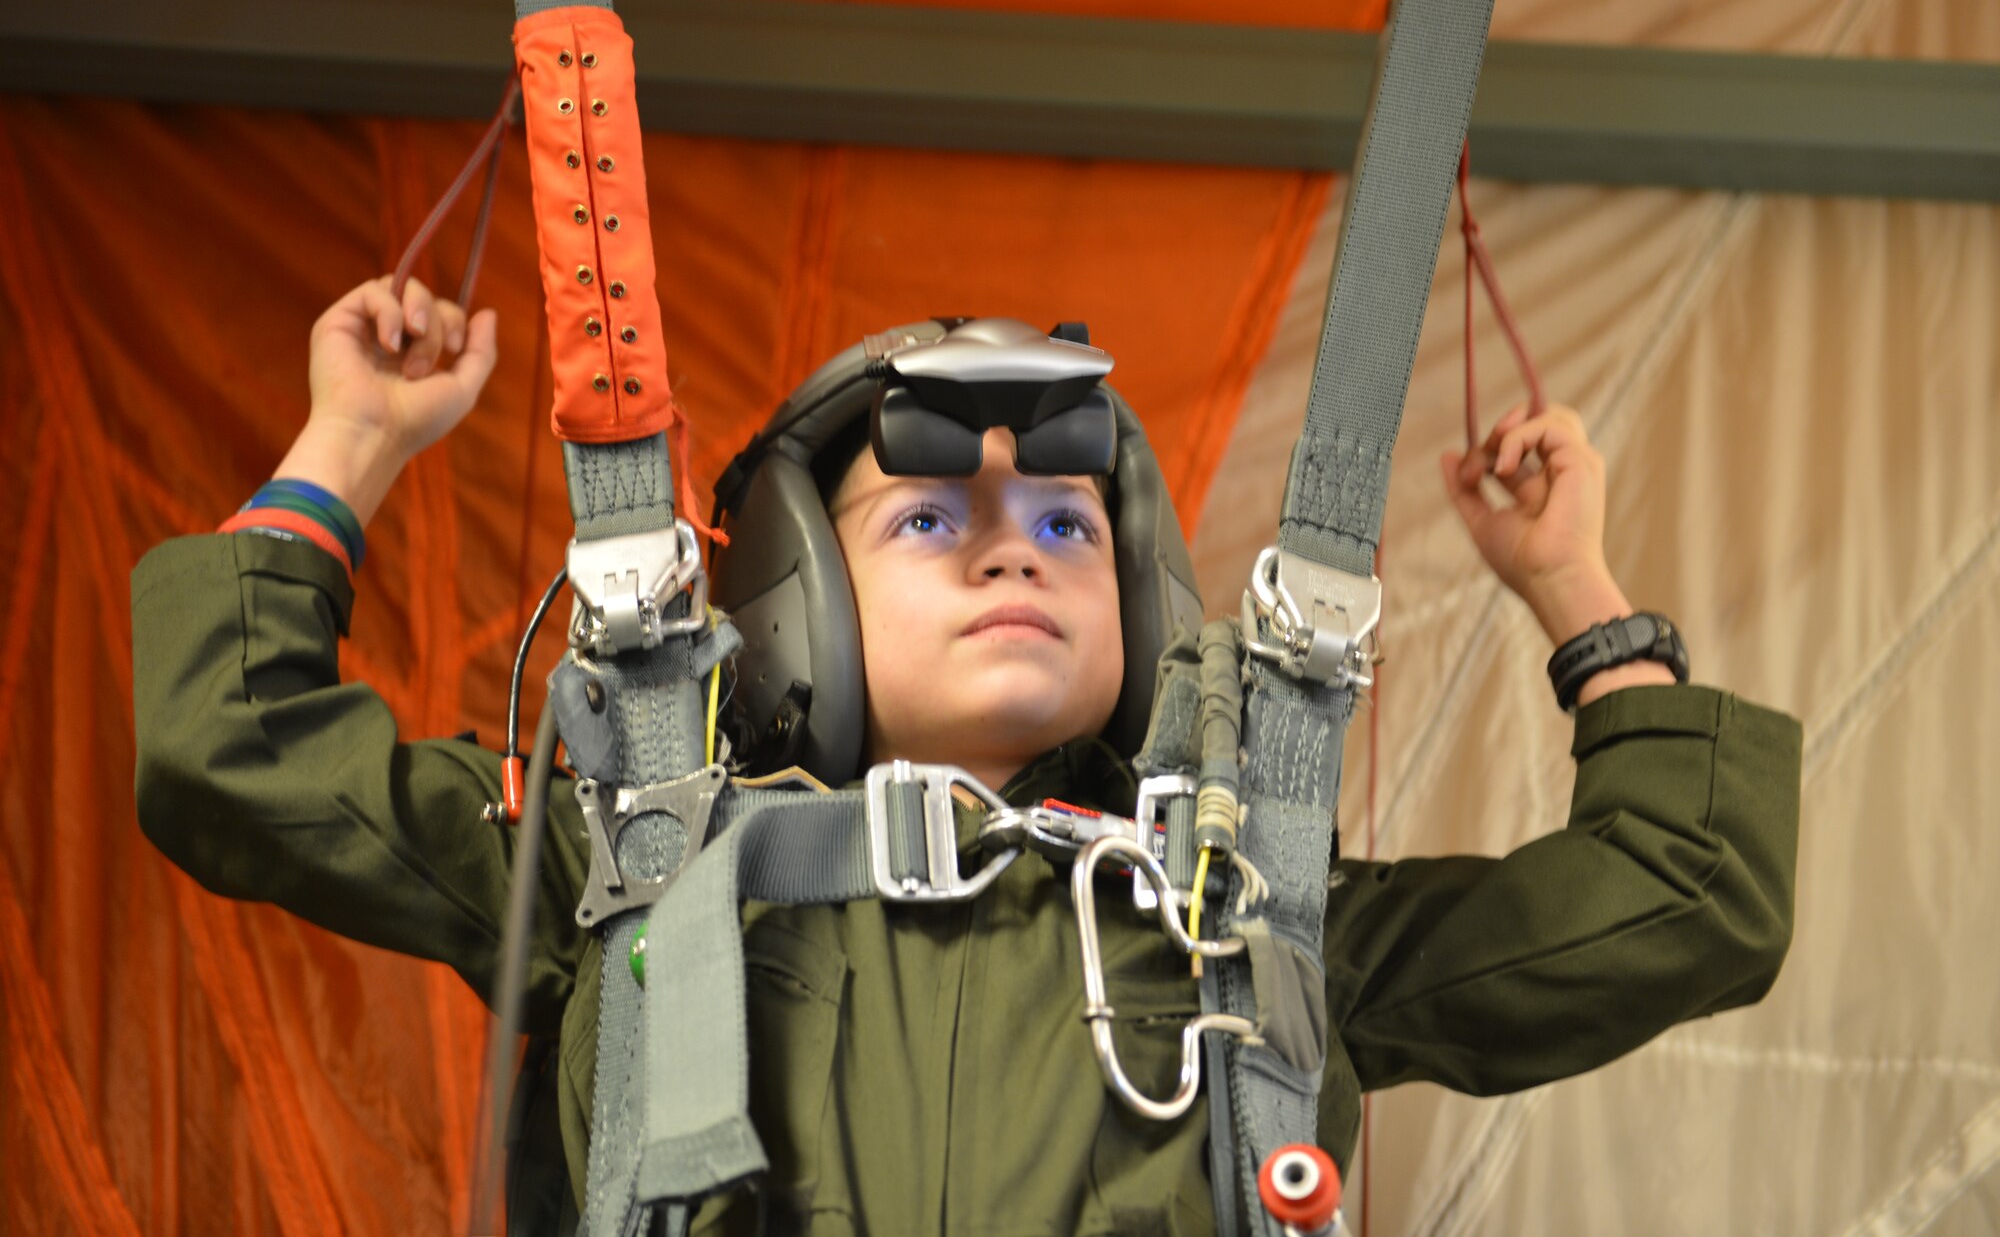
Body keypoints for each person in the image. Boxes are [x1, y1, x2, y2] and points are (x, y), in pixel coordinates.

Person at [132, 275, 1801, 1234]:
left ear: (1137, 598)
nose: (1016, 553)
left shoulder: (1254, 926)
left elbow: (1686, 898)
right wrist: (340, 447)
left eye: (1068, 522)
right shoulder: (627, 864)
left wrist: (1578, 595)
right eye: (931, 515)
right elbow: (235, 748)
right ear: (792, 600)